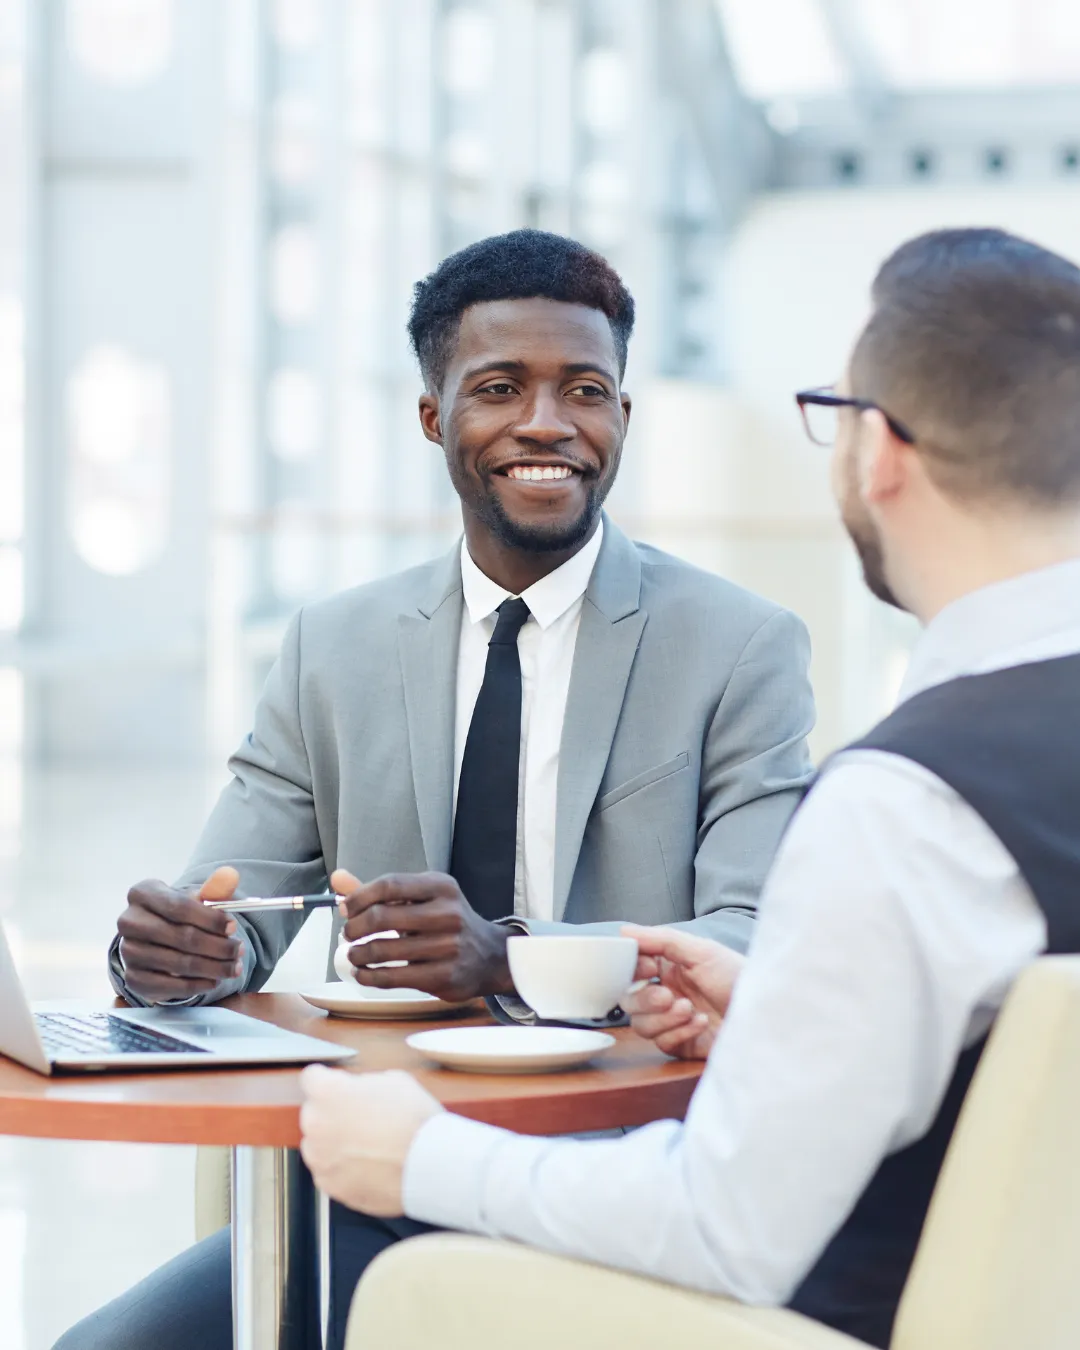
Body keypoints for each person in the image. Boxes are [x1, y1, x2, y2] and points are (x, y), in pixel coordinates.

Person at [297, 226, 1080, 1350]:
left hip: (820, 1317)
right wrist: (776, 1013)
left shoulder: (908, 802)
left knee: (346, 1264)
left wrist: (419, 1151)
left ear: (882, 455)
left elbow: (729, 1227)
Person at [55, 230, 813, 1350]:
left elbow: (749, 939)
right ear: (433, 418)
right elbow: (232, 904)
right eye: (500, 389)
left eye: (586, 390)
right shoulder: (334, 646)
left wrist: (507, 952)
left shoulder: (741, 647)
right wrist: (177, 953)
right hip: (374, 1180)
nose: (547, 424)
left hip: (623, 1182)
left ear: (623, 418)